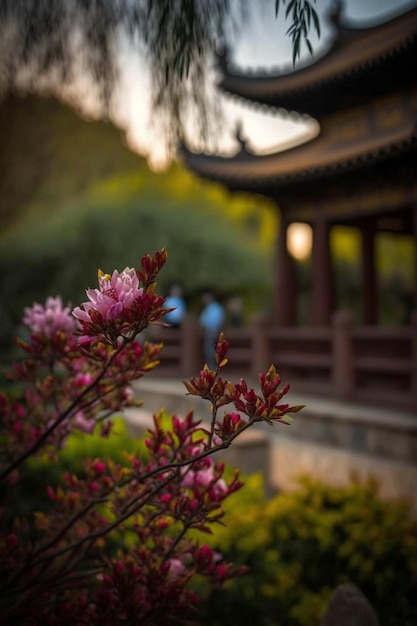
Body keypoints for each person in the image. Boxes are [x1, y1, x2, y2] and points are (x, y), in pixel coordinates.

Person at [199, 290, 225, 369]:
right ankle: (210, 365)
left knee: (214, 349)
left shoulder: (217, 308)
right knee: (209, 349)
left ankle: (213, 366)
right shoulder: (207, 309)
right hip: (208, 331)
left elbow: (219, 320)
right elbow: (202, 321)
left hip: (214, 331)